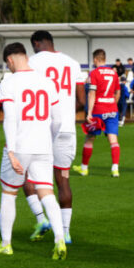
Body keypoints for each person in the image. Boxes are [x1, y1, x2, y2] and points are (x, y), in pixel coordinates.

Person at [0, 42, 67, 259]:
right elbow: (58, 119)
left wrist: (11, 151)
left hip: (21, 145)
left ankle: (6, 243)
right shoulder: (46, 81)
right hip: (43, 145)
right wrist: (49, 139)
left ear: (9, 60)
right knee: (46, 191)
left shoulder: (9, 82)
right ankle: (59, 239)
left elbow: (10, 118)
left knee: (9, 193)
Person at [24, 30, 85, 243]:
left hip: (40, 128)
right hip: (66, 128)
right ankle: (66, 232)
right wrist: (66, 112)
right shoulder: (72, 63)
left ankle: (42, 219)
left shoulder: (32, 62)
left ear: (37, 43)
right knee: (63, 180)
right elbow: (81, 100)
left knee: (27, 175)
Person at [73, 49, 121, 177]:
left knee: (89, 139)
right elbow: (118, 93)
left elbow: (92, 93)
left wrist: (89, 112)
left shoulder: (94, 73)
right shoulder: (114, 73)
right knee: (113, 140)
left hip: (98, 110)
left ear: (95, 59)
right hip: (111, 110)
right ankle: (115, 169)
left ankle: (84, 168)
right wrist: (112, 105)